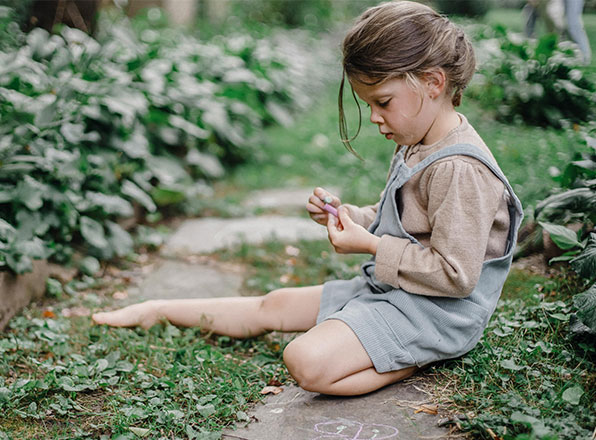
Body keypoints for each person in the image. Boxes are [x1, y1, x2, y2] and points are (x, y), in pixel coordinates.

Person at [92, 1, 523, 397]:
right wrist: (349, 216)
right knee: (274, 304)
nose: (374, 116)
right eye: (369, 104)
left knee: (305, 360)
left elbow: (455, 275)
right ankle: (157, 308)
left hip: (437, 315)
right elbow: (403, 219)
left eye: (383, 102)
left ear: (432, 83)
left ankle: (419, 356)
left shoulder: (460, 168)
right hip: (396, 290)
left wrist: (370, 245)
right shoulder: (420, 139)